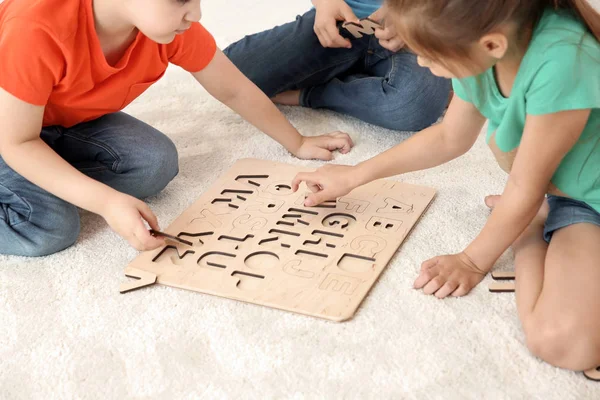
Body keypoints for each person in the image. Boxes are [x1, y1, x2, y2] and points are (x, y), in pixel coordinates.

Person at [292, 0, 600, 372]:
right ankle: (530, 224)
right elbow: (449, 138)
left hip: (560, 189)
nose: (421, 64)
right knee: (561, 342)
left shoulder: (562, 60)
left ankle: (529, 220)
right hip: (579, 198)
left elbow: (524, 185)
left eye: (428, 54)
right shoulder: (484, 42)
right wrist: (355, 174)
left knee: (564, 339)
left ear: (491, 45)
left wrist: (472, 261)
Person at [0, 0, 353, 257]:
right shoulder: (36, 26)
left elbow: (231, 87)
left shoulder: (169, 29)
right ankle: (43, 184)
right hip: (11, 132)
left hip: (54, 123)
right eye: (180, 0)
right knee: (49, 227)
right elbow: (17, 141)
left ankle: (47, 176)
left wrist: (298, 141)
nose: (196, 13)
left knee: (155, 162)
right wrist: (106, 202)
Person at [224, 0, 451, 132]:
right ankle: (363, 79)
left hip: (419, 26)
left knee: (413, 104)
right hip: (342, 19)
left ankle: (308, 93)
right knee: (231, 76)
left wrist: (415, 12)